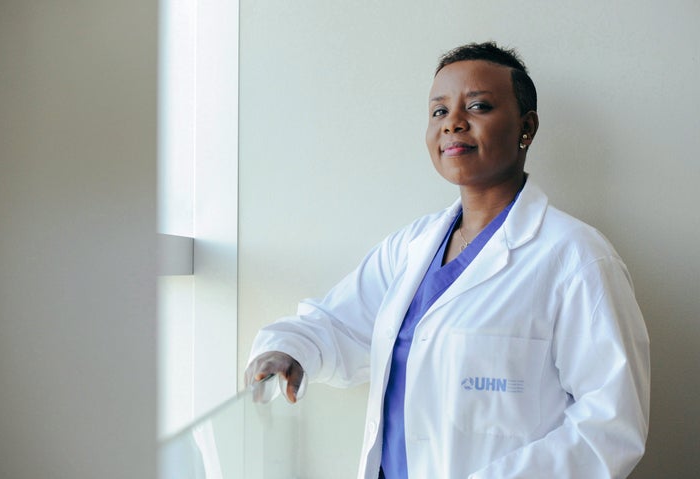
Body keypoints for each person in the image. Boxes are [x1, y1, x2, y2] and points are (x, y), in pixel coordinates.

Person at [245, 42, 650, 478]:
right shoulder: (412, 247)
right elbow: (334, 323)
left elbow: (609, 427)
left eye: (477, 106)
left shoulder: (577, 258)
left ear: (526, 128)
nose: (453, 123)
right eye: (439, 111)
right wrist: (285, 350)